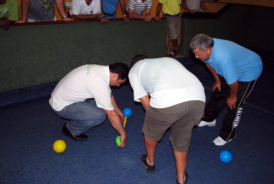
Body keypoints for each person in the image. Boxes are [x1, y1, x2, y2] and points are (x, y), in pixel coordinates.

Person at [128, 55, 205, 184]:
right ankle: (181, 178)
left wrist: (163, 119)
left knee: (150, 132)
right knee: (182, 138)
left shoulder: (134, 70)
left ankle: (150, 162)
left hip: (168, 100)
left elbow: (147, 106)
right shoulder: (168, 60)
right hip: (198, 97)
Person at [190, 34, 263, 146]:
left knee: (235, 104)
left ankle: (228, 134)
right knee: (218, 92)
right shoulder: (206, 47)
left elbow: (233, 82)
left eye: (197, 54)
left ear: (208, 51)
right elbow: (208, 63)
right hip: (233, 66)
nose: (196, 57)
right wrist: (217, 80)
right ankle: (210, 119)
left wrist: (233, 96)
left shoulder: (223, 58)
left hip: (249, 69)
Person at [49, 63, 129, 148]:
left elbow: (109, 96)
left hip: (63, 98)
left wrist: (119, 113)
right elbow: (111, 115)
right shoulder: (98, 83)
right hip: (62, 106)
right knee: (100, 115)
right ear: (115, 76)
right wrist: (123, 133)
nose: (118, 85)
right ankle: (71, 129)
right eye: (119, 82)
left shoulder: (101, 71)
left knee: (103, 102)